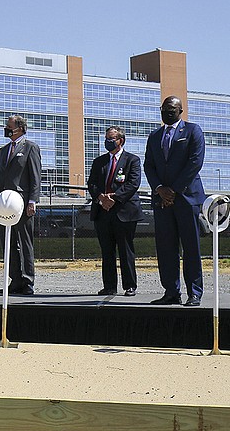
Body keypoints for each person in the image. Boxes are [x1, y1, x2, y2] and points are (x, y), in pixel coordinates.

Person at [143, 96, 206, 306]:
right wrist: (160, 189)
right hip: (162, 200)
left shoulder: (192, 131)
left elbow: (195, 162)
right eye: (163, 109)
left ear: (180, 110)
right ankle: (171, 291)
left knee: (191, 247)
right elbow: (149, 166)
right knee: (166, 247)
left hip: (187, 198)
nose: (167, 113)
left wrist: (174, 191)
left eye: (171, 109)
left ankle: (194, 293)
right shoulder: (154, 136)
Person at [87, 126, 144, 296]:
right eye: (106, 139)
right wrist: (100, 198)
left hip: (124, 212)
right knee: (107, 251)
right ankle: (110, 286)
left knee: (126, 250)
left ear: (121, 140)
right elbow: (92, 184)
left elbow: (133, 183)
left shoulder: (132, 160)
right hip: (102, 212)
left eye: (111, 139)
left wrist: (115, 198)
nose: (108, 142)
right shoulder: (99, 161)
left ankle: (130, 285)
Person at [0, 115, 41, 295]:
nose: (6, 128)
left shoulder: (30, 148)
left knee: (25, 241)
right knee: (8, 242)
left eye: (9, 126)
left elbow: (35, 176)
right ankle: (15, 280)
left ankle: (28, 281)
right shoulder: (3, 150)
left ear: (20, 128)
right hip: (3, 203)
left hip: (22, 202)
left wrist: (32, 201)